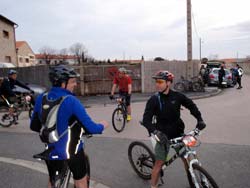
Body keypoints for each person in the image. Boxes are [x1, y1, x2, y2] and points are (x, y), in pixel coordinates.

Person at [30, 65, 109, 188]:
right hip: (72, 151)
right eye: (72, 82)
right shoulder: (71, 101)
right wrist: (103, 125)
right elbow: (91, 128)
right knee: (80, 181)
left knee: (52, 180)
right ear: (63, 83)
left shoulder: (41, 98)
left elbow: (34, 126)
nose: (75, 84)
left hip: (50, 149)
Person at [142, 70, 206, 188]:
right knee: (159, 164)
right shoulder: (154, 100)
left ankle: (192, 178)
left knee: (187, 157)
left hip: (178, 133)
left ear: (168, 83)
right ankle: (153, 186)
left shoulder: (177, 96)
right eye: (156, 81)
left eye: (160, 81)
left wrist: (200, 119)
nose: (157, 84)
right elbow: (146, 120)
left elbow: (191, 106)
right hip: (162, 136)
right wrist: (156, 132)